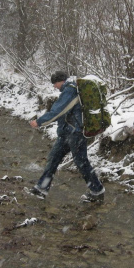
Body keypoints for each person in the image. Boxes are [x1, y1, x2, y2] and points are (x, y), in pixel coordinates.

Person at [29, 70, 105, 202]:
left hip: (75, 134)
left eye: (55, 83)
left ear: (61, 81)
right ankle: (41, 188)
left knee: (81, 162)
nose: (54, 86)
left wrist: (39, 122)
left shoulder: (70, 90)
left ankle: (97, 190)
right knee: (53, 159)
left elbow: (58, 110)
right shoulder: (70, 89)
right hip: (66, 133)